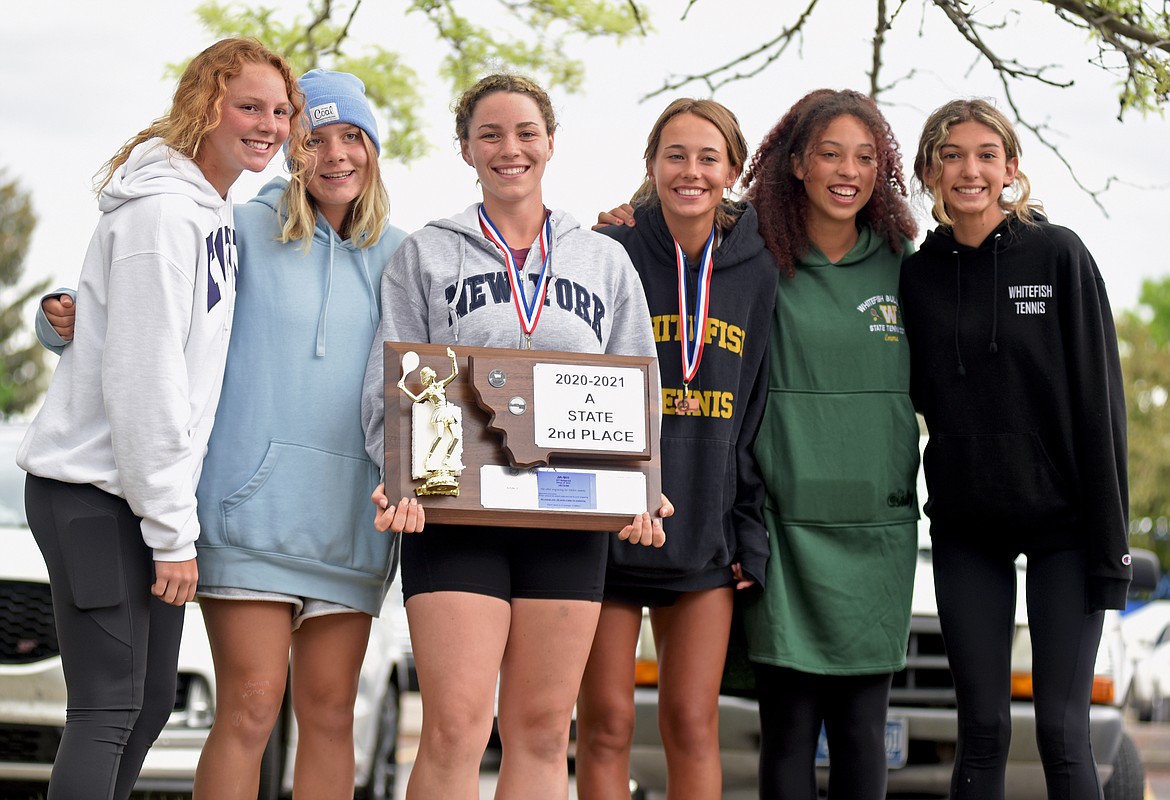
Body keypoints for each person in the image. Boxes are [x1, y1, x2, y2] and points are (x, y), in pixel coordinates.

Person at [37, 69, 425, 800]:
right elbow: (142, 300)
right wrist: (60, 318)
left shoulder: (406, 256)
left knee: (332, 715)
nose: (336, 155)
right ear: (289, 151)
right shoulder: (233, 226)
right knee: (248, 709)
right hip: (244, 513)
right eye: (314, 140)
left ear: (375, 146)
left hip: (350, 524)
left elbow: (450, 362)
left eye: (353, 138)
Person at [359, 73, 668, 800]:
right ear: (466, 148)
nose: (510, 149)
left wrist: (642, 491)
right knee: (456, 728)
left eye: (526, 133)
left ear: (551, 143)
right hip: (454, 516)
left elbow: (638, 390)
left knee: (539, 731)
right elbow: (393, 384)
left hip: (568, 520)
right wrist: (396, 476)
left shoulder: (603, 259)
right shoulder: (428, 255)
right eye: (490, 135)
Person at [15, 38, 299, 800]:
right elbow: (145, 383)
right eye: (249, 106)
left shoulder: (213, 214)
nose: (268, 124)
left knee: (142, 710)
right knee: (107, 709)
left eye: (279, 110)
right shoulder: (163, 218)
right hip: (97, 496)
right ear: (207, 106)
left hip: (137, 499)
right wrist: (173, 533)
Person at [899, 98, 1129, 800]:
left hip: (1064, 525)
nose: (969, 169)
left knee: (1062, 731)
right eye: (952, 154)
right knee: (984, 729)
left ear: (1011, 168)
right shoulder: (917, 275)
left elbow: (1101, 403)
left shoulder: (1058, 253)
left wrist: (1110, 548)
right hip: (968, 525)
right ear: (930, 170)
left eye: (985, 154)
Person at [575, 98, 775, 800]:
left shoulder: (759, 268)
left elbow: (755, 411)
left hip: (704, 532)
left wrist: (747, 526)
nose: (690, 171)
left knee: (692, 722)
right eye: (675, 155)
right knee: (604, 722)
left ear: (733, 170)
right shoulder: (609, 252)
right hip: (608, 528)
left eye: (707, 157)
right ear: (652, 166)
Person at [740, 89, 920, 799]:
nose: (849, 170)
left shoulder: (906, 263)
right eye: (831, 153)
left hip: (875, 532)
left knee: (859, 733)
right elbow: (674, 226)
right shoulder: (749, 255)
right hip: (785, 530)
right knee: (787, 732)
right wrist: (629, 216)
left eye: (866, 157)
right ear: (795, 164)